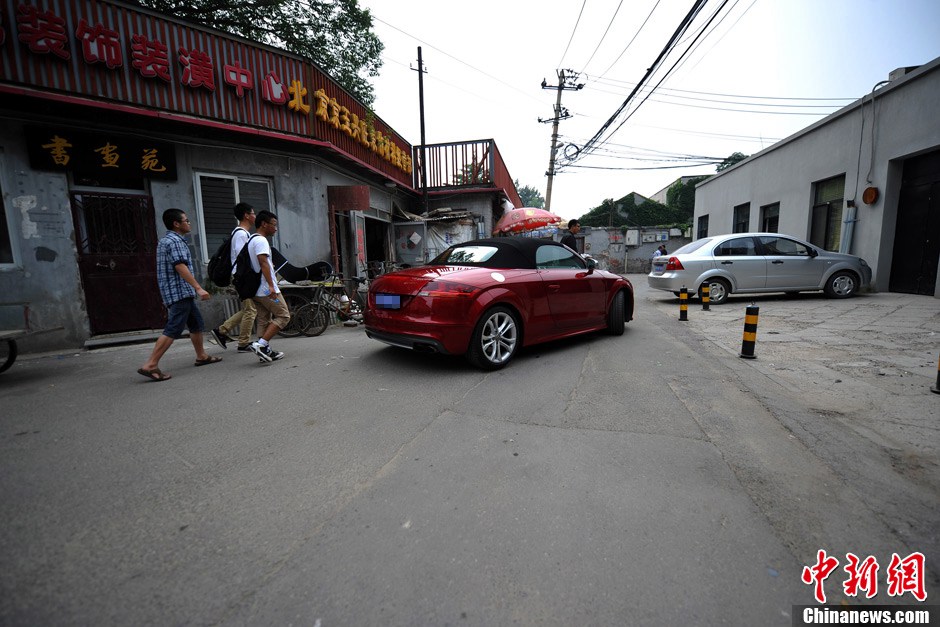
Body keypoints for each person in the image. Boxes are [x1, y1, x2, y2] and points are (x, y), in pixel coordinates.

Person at [137, 208, 221, 381]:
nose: (189, 223)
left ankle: (201, 356)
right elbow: (180, 266)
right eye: (186, 220)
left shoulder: (167, 240)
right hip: (179, 291)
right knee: (174, 328)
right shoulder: (175, 241)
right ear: (176, 224)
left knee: (196, 323)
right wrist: (198, 288)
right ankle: (151, 364)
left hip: (180, 291)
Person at [209, 202, 257, 353]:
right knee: (251, 310)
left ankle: (222, 330)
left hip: (242, 276)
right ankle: (242, 343)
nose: (255, 216)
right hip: (242, 277)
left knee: (250, 308)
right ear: (246, 216)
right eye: (253, 213)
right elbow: (244, 257)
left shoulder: (241, 233)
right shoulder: (241, 234)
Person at [248, 210, 290, 362]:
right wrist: (272, 286)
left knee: (263, 319)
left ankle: (264, 351)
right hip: (266, 289)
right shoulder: (261, 241)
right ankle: (261, 344)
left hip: (256, 290)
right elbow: (263, 262)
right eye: (274, 225)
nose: (276, 228)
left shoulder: (251, 240)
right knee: (284, 316)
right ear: (264, 224)